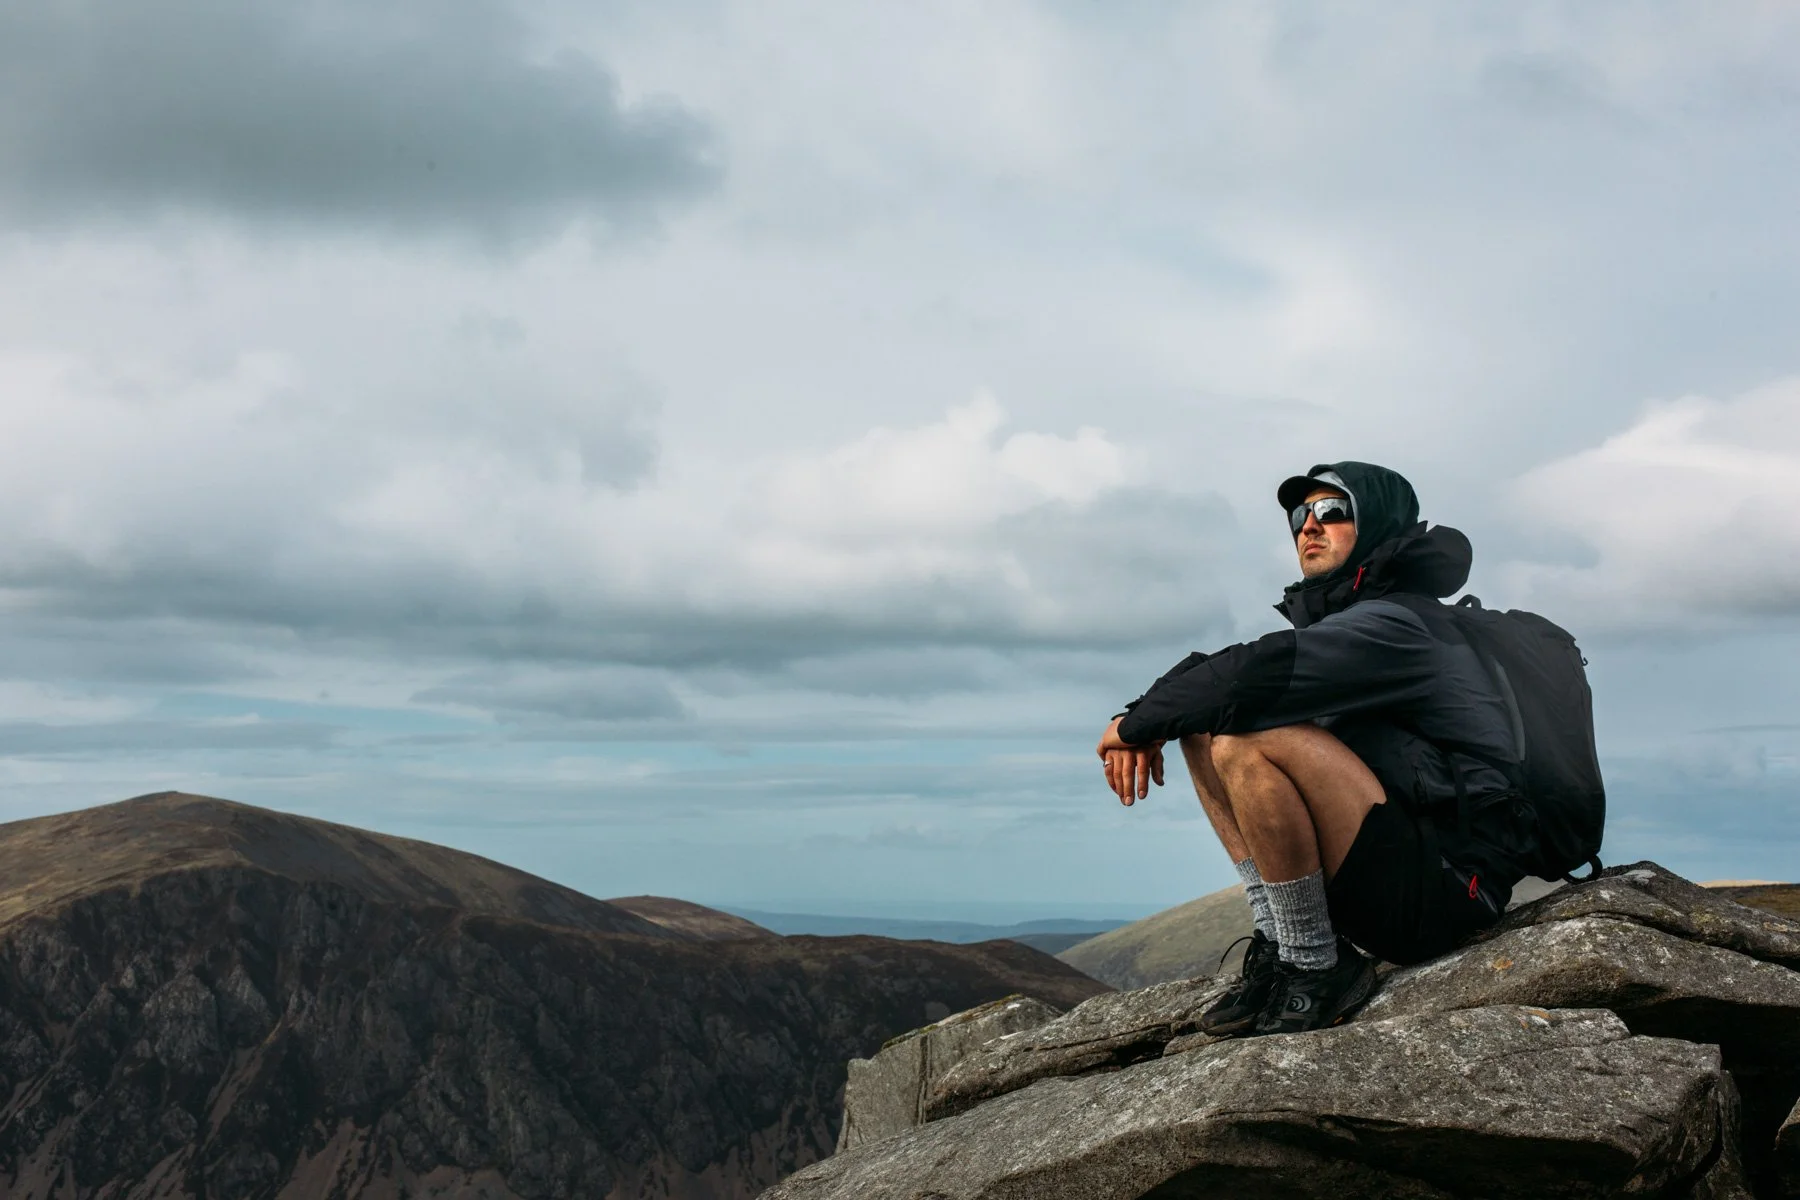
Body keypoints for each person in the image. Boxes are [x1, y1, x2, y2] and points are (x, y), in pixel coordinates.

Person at [1096, 462, 1526, 1037]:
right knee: (1203, 728)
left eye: (1331, 512)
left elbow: (1257, 671)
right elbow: (1227, 680)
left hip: (1449, 891)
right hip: (1394, 865)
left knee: (1248, 738)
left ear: (1377, 526)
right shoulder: (1349, 621)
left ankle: (1314, 963)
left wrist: (1131, 726)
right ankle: (1282, 943)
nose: (1308, 528)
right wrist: (1142, 718)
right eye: (1301, 516)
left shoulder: (1399, 623)